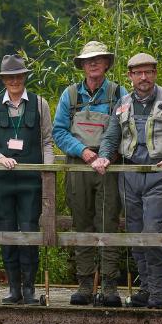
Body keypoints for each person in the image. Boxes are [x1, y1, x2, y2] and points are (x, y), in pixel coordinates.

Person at [91, 53, 162, 309]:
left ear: (155, 73)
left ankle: (158, 293)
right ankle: (144, 287)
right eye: (138, 73)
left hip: (159, 173)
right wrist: (103, 157)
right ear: (130, 76)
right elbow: (112, 135)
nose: (143, 77)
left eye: (148, 72)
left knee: (152, 232)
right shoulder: (122, 103)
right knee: (134, 234)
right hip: (129, 174)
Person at [52, 41, 127, 307]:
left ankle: (109, 286)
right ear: (82, 66)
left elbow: (125, 129)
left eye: (98, 59)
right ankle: (84, 284)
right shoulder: (70, 95)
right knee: (81, 222)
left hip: (109, 166)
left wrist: (108, 156)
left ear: (106, 63)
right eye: (88, 60)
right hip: (79, 165)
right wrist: (83, 151)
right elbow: (58, 131)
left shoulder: (119, 92)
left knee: (109, 223)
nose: (93, 64)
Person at [0, 54, 54, 305]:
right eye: (9, 77)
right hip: (1, 181)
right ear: (3, 80)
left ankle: (30, 289)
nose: (14, 80)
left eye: (18, 76)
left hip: (31, 181)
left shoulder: (40, 103)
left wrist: (48, 173)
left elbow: (47, 142)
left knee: (29, 231)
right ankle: (14, 289)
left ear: (24, 77)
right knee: (6, 232)